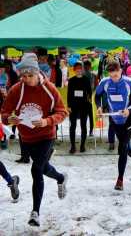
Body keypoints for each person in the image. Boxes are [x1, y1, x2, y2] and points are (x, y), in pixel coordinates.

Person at [1, 53, 68, 227]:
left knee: (36, 169)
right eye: (23, 75)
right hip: (27, 137)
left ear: (37, 73)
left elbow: (62, 112)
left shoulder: (50, 89)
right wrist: (10, 119)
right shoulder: (17, 89)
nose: (27, 79)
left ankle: (35, 213)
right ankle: (60, 178)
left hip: (46, 135)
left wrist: (47, 121)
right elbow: (4, 114)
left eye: (30, 75)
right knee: (44, 167)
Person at [95, 60, 131, 191]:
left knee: (122, 148)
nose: (114, 79)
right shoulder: (105, 82)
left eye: (116, 75)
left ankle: (120, 180)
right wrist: (99, 107)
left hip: (129, 119)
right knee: (126, 147)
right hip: (115, 120)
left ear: (121, 71)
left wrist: (129, 109)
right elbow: (97, 96)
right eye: (111, 76)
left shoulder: (130, 82)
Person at [67, 61, 92, 153]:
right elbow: (69, 94)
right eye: (77, 69)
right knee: (72, 126)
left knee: (83, 126)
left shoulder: (86, 79)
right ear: (74, 70)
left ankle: (82, 145)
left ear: (82, 70)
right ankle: (73, 146)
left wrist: (88, 99)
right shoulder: (71, 80)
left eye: (80, 69)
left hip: (84, 105)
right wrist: (68, 106)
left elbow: (90, 91)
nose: (78, 71)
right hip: (73, 105)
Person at [83, 60, 96, 136]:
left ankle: (86, 131)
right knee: (90, 116)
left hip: (85, 98)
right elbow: (95, 86)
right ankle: (90, 131)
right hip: (90, 97)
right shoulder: (93, 75)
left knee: (85, 116)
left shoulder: (82, 75)